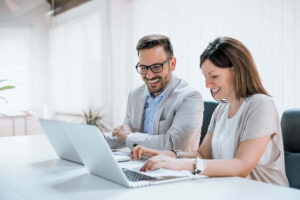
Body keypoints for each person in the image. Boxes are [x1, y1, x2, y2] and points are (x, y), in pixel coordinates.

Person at [131, 37, 289, 186]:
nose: (207, 84)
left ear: (237, 71)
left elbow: (241, 166)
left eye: (213, 76)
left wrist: (180, 164)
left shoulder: (260, 104)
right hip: (232, 191)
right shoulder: (221, 108)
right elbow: (203, 155)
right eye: (205, 77)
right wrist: (167, 155)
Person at [104, 34, 203, 151]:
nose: (149, 75)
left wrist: (129, 137)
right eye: (143, 68)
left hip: (172, 167)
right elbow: (124, 135)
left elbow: (173, 144)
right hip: (138, 165)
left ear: (172, 64)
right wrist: (92, 139)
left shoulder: (190, 98)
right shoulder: (135, 94)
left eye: (156, 67)